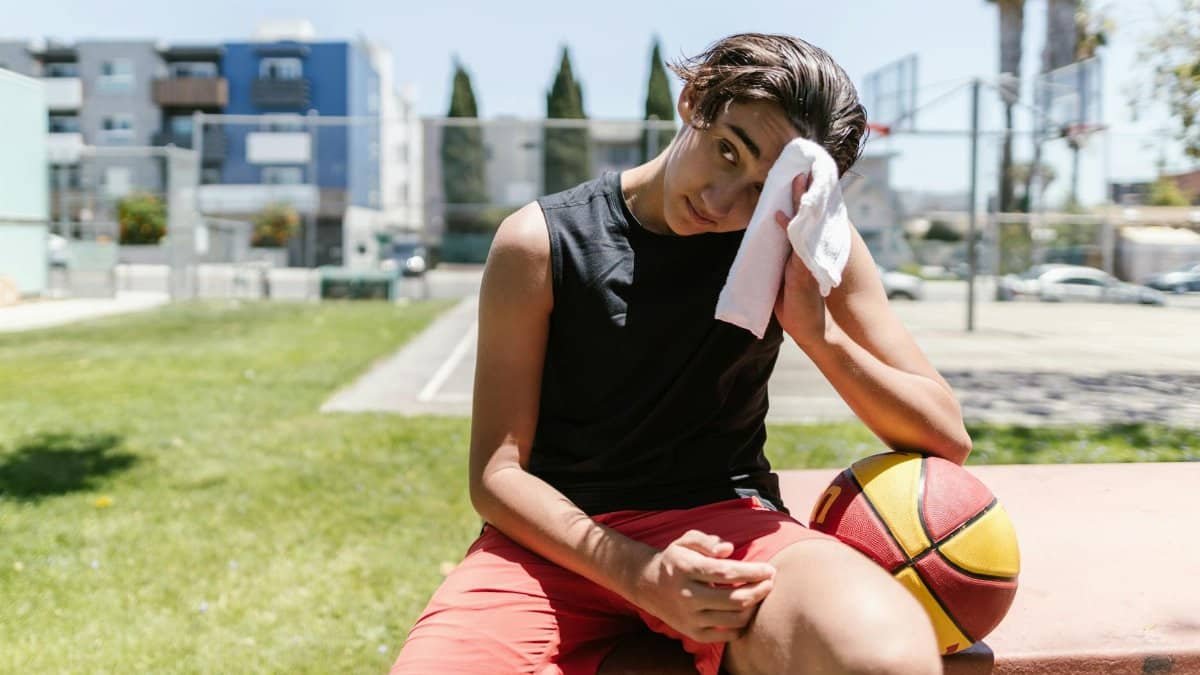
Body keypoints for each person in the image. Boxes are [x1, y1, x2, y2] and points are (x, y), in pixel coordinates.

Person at [393, 32, 970, 675]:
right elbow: (497, 476)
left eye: (761, 188)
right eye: (727, 151)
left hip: (729, 527)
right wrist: (640, 575)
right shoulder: (542, 241)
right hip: (551, 542)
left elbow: (944, 436)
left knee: (879, 656)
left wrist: (816, 332)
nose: (724, 202)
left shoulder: (801, 242)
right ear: (693, 100)